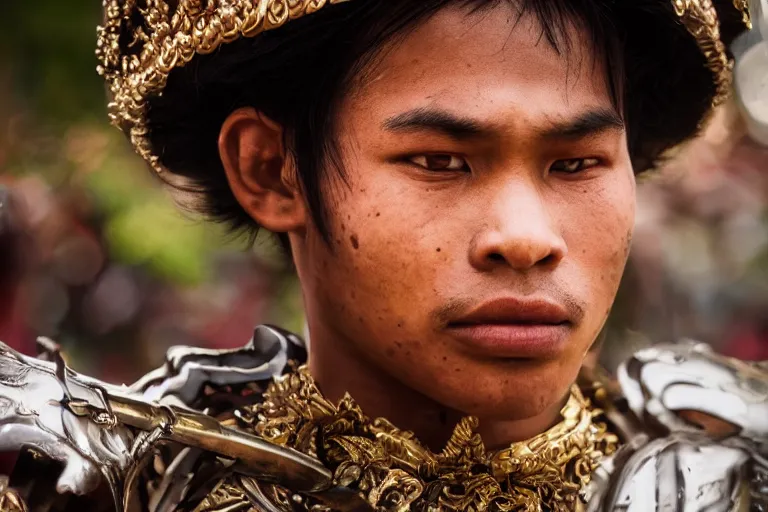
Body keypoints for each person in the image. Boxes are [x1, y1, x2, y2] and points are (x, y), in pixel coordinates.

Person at [0, 0, 766, 511]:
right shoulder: (113, 489)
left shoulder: (733, 476)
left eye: (576, 163)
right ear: (271, 169)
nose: (527, 237)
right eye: (440, 161)